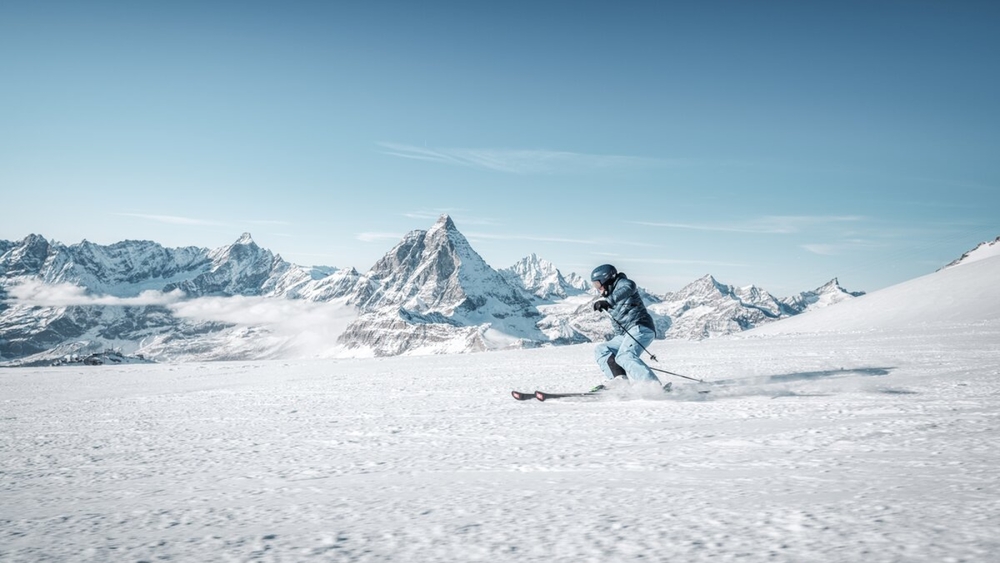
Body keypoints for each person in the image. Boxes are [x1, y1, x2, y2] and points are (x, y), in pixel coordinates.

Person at [589, 264, 663, 391]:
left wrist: (608, 302)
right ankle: (620, 382)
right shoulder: (609, 295)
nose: (597, 288)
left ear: (606, 279)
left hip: (640, 327)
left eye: (598, 284)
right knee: (602, 349)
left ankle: (653, 387)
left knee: (625, 356)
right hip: (626, 334)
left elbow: (629, 287)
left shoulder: (624, 284)